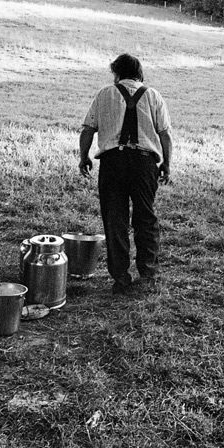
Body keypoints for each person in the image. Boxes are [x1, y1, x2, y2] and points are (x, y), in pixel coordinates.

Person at [78, 54, 173, 293]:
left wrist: (84, 157)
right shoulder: (153, 95)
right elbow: (165, 134)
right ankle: (148, 273)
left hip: (112, 163)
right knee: (145, 218)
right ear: (139, 73)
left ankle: (121, 277)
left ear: (117, 73)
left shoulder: (104, 94)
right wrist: (167, 164)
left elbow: (88, 129)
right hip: (144, 163)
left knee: (115, 220)